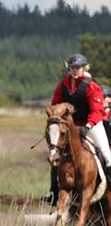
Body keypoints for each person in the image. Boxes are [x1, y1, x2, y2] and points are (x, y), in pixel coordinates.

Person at [42, 53, 111, 204]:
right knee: (56, 156)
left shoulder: (91, 85)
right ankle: (54, 193)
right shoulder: (64, 85)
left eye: (78, 67)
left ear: (84, 68)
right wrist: (55, 119)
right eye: (72, 67)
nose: (75, 70)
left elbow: (96, 110)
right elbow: (56, 104)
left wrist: (87, 126)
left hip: (92, 124)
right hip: (71, 126)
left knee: (107, 155)